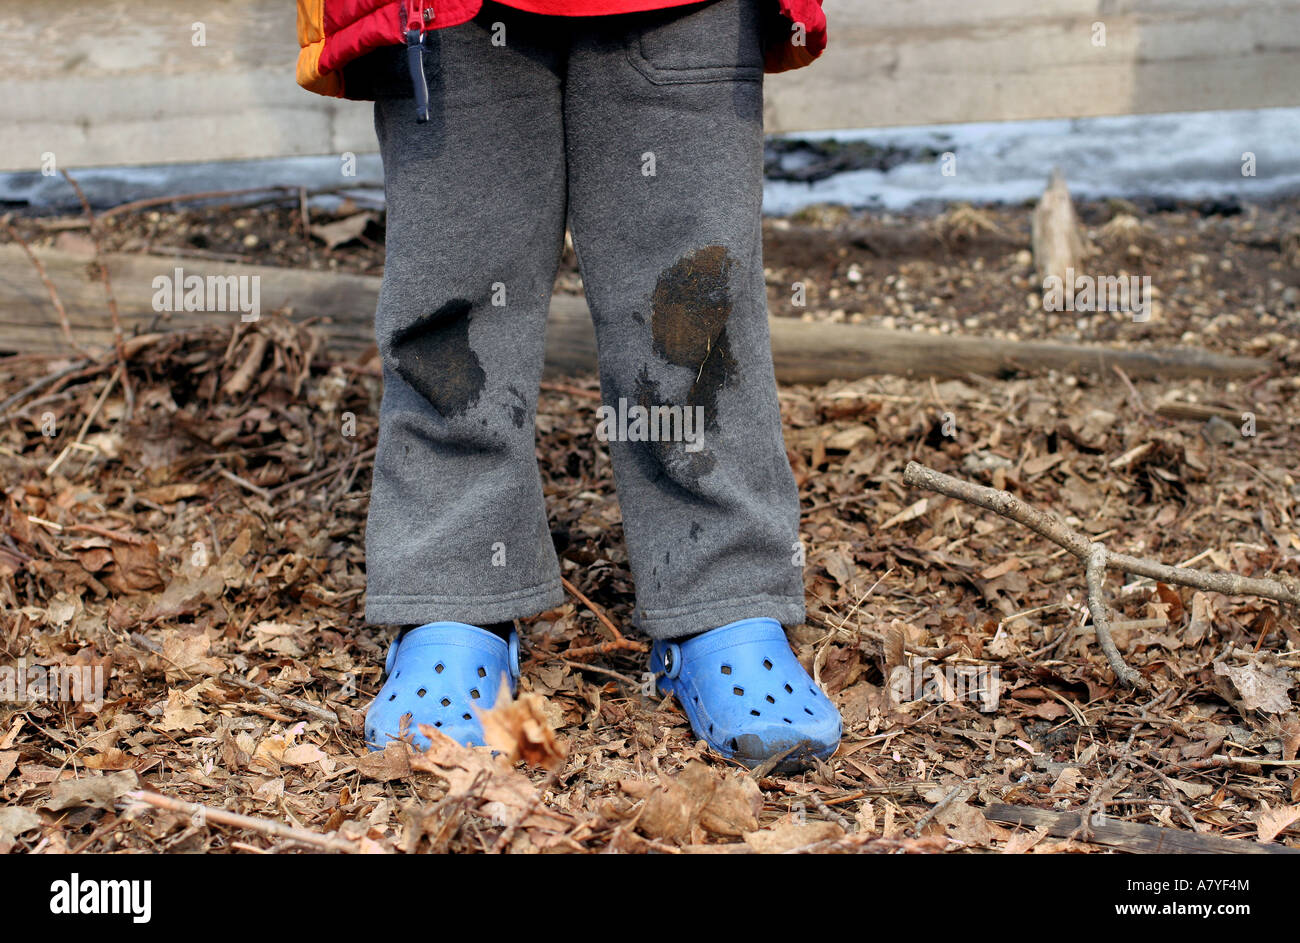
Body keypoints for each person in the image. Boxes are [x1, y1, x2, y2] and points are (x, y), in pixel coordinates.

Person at [295, 0, 841, 768]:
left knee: (694, 297)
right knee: (451, 306)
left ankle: (723, 595)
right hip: (444, 12)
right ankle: (455, 598)